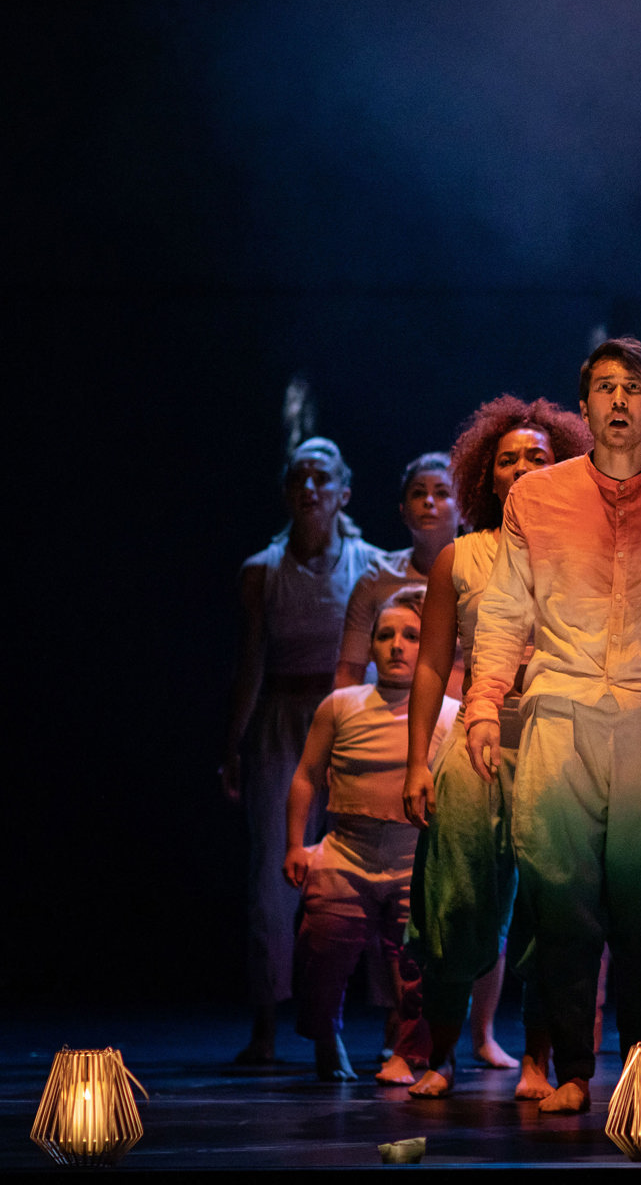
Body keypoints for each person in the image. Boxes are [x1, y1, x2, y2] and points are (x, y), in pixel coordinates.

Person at [465, 338, 641, 1116]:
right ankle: (576, 1071)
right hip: (561, 713)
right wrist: (484, 702)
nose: (619, 401)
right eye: (605, 389)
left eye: (635, 388)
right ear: (583, 409)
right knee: (560, 902)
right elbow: (505, 611)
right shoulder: (537, 497)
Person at [401, 397, 592, 1099]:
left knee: (552, 905)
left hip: (561, 742)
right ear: (487, 472)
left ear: (565, 467)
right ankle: (441, 1053)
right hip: (478, 743)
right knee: (455, 901)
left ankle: (539, 1058)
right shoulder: (462, 555)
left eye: (537, 456)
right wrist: (419, 759)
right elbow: (430, 663)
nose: (520, 467)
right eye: (507, 457)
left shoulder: (584, 554)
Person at [225, 436, 388, 1062]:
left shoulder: (370, 565)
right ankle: (266, 1026)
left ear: (343, 491)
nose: (310, 489)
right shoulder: (263, 571)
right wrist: (235, 746)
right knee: (274, 872)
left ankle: (350, 1027)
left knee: (363, 869)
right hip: (283, 723)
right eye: (299, 478)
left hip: (352, 722)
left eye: (322, 479)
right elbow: (252, 662)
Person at [285, 586, 458, 1082]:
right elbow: (305, 775)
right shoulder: (341, 706)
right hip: (347, 851)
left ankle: (410, 1053)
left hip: (414, 857)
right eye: (385, 636)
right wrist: (296, 844)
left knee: (419, 965)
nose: (396, 646)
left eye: (410, 636)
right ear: (372, 645)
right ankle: (324, 1037)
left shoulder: (448, 713)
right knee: (321, 951)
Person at [335, 454, 460, 688]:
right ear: (403, 510)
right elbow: (349, 670)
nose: (429, 501)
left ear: (463, 510)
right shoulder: (378, 576)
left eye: (442, 493)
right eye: (418, 493)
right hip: (390, 715)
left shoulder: (482, 571)